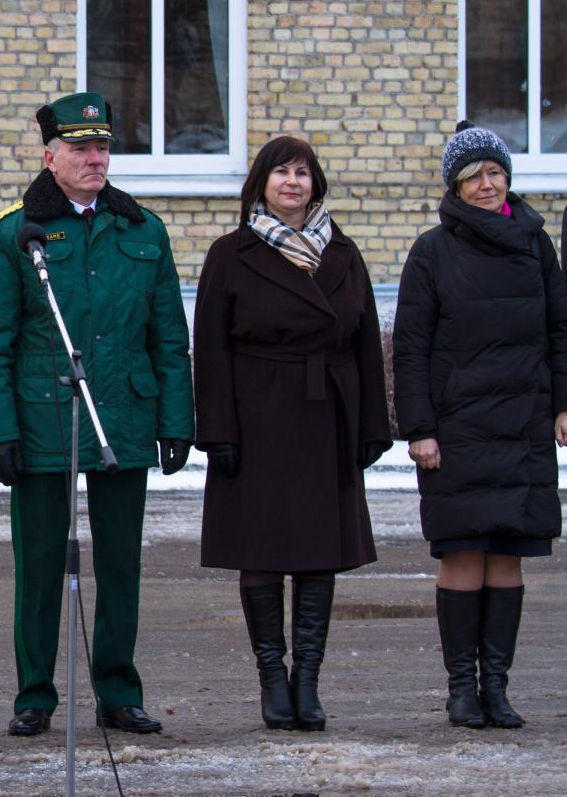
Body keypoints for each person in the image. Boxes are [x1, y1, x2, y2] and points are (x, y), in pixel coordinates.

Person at [0, 92, 193, 737]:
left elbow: (168, 335)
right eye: (80, 148)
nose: (95, 159)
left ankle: (118, 692)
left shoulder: (142, 229)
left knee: (121, 564)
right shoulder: (12, 233)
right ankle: (34, 696)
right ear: (50, 155)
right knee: (38, 565)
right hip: (42, 417)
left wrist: (177, 418)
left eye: (102, 147)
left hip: (124, 411)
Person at [193, 136, 391, 732]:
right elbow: (210, 347)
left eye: (303, 173)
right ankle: (271, 678)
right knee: (260, 549)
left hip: (326, 413)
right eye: (281, 172)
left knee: (316, 551)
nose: (293, 183)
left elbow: (365, 344)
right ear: (261, 183)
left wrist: (371, 426)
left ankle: (308, 679)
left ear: (316, 185)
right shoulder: (232, 253)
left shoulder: (344, 253)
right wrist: (217, 429)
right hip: (256, 414)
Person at [392, 121, 567, 729]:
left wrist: (563, 403)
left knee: (509, 556)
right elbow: (409, 349)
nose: (488, 185)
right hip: (458, 429)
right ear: (456, 187)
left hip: (523, 421)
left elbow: (560, 332)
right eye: (475, 177)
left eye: (495, 173)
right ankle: (461, 690)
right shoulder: (432, 252)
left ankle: (498, 687)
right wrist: (419, 428)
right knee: (464, 553)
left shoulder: (536, 243)